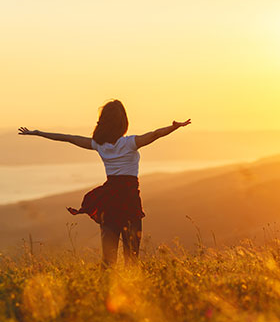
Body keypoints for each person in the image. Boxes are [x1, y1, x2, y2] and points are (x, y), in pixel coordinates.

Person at [18, 99, 191, 268]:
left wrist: (37, 132)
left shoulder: (99, 145)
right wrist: (174, 127)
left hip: (109, 201)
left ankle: (104, 291)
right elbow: (155, 134)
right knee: (132, 258)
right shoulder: (130, 143)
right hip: (129, 200)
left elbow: (67, 138)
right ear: (123, 122)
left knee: (108, 260)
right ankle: (130, 291)